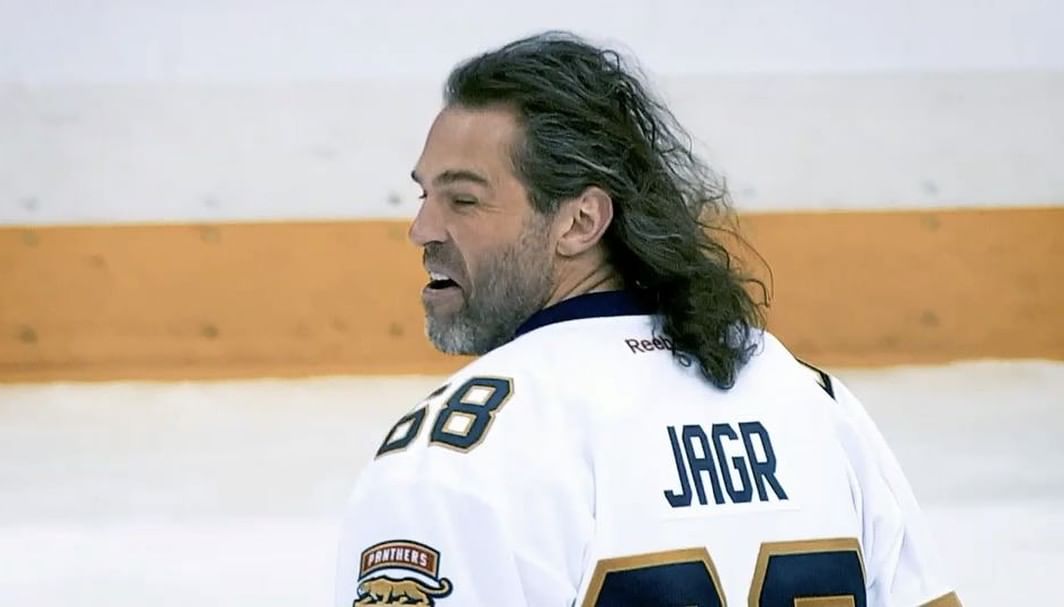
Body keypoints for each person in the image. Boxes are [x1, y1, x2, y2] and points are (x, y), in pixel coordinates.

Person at [335, 31, 961, 606]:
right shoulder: (807, 396)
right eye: (426, 195)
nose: (422, 228)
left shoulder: (453, 452)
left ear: (580, 221)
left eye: (464, 200)